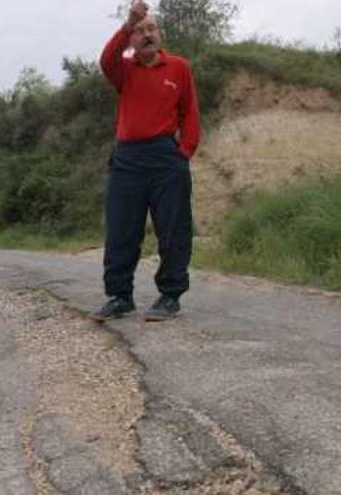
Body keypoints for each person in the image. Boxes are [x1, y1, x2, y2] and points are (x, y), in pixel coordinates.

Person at [90, 0, 201, 322]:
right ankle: (120, 297)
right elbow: (106, 59)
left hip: (166, 156)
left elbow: (189, 112)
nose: (146, 34)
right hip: (127, 159)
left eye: (151, 28)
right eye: (139, 31)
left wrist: (185, 153)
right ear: (132, 40)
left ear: (160, 34)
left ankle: (170, 296)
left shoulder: (179, 67)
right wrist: (127, 24)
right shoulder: (123, 70)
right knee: (121, 230)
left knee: (173, 229)